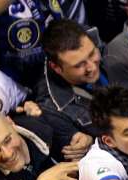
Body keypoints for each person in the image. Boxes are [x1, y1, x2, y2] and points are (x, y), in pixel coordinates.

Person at [33, 18, 105, 160]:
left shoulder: (90, 37)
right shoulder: (51, 107)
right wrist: (92, 142)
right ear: (57, 68)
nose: (92, 67)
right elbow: (81, 158)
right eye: (79, 65)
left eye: (92, 54)